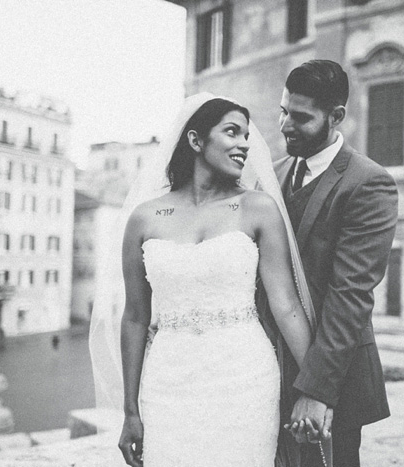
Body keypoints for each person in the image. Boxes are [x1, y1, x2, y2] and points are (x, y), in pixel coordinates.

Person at [99, 95, 320, 467]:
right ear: (196, 141)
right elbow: (135, 317)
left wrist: (317, 388)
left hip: (245, 380)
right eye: (231, 132)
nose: (244, 144)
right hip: (167, 384)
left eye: (246, 136)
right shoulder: (145, 218)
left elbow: (286, 306)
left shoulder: (258, 208)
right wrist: (130, 410)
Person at [275, 60, 399, 467]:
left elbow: (351, 296)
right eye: (283, 112)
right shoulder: (271, 175)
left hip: (334, 379)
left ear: (336, 116)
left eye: (300, 117)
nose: (285, 126)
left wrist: (316, 391)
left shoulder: (368, 182)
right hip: (264, 371)